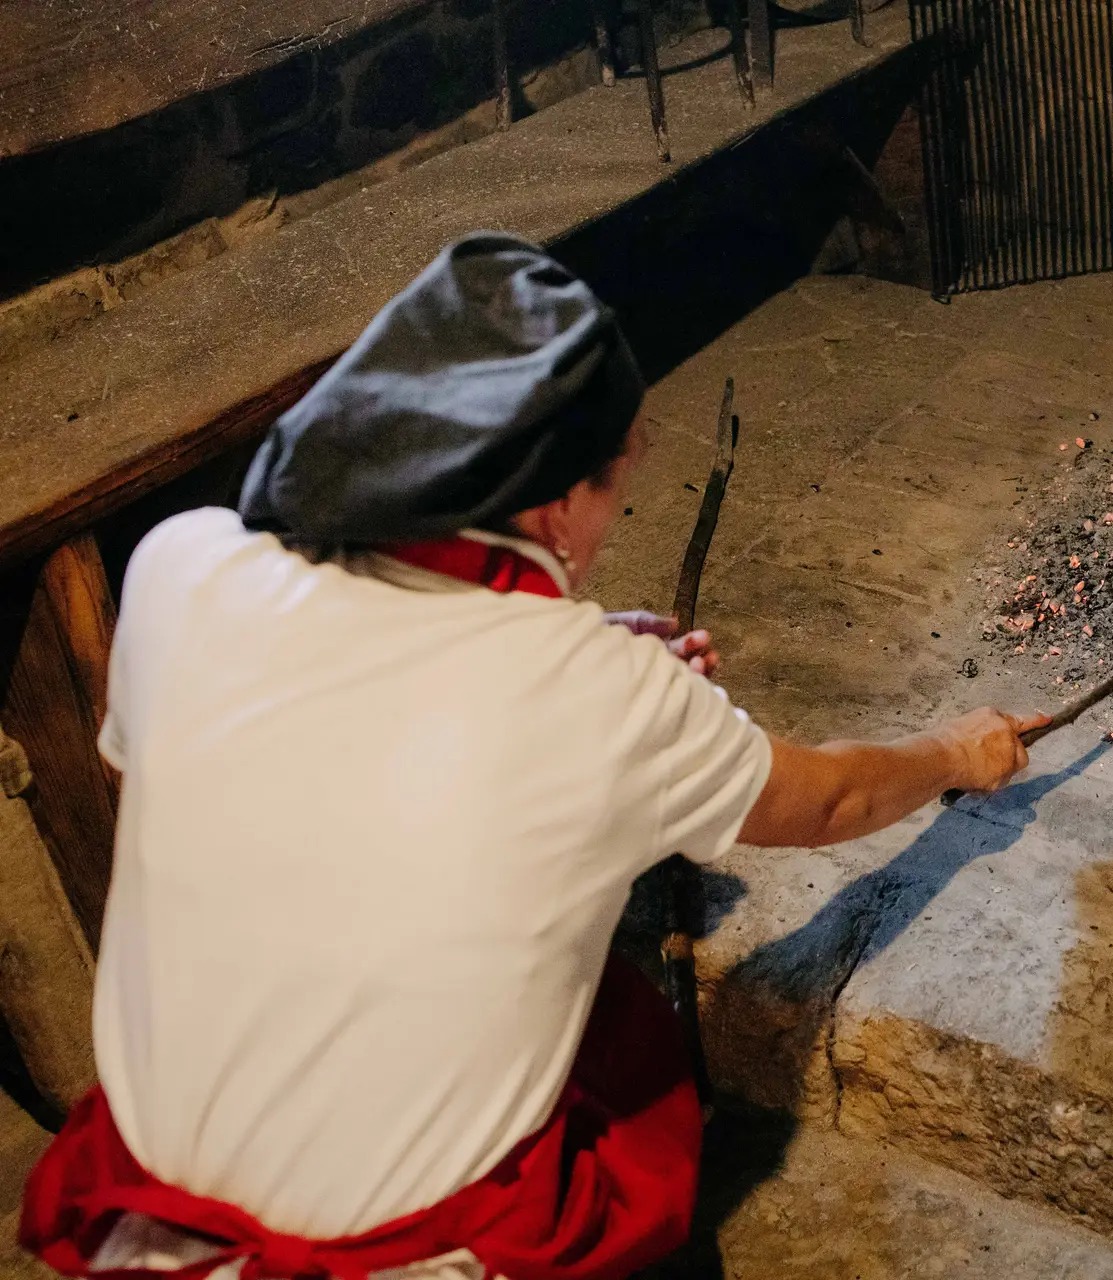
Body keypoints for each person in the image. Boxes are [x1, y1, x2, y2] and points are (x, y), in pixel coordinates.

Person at [18, 233, 1044, 1280]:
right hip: (393, 1246)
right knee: (626, 1053)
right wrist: (952, 750)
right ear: (555, 504)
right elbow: (831, 803)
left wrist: (577, 666)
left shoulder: (182, 561)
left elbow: (231, 764)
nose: (608, 523)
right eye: (617, 488)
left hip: (154, 1181)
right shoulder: (600, 695)